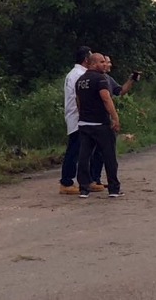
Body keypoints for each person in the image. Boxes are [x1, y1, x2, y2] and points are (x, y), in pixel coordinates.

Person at [75, 53, 123, 198]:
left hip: (84, 124)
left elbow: (78, 101)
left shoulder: (80, 80)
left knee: (84, 156)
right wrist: (115, 118)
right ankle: (113, 189)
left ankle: (84, 188)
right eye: (102, 62)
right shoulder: (100, 79)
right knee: (109, 156)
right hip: (101, 124)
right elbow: (106, 99)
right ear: (93, 63)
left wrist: (82, 115)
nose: (105, 64)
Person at [60, 46, 104, 194]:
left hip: (79, 117)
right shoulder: (79, 75)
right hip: (79, 117)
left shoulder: (76, 74)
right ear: (86, 59)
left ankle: (88, 179)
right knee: (75, 150)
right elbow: (80, 98)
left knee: (86, 150)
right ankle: (66, 182)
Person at [90, 55, 140, 185]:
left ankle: (95, 179)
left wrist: (131, 80)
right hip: (99, 119)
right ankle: (95, 180)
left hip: (103, 118)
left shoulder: (108, 79)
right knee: (98, 152)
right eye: (106, 62)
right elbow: (106, 99)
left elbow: (120, 91)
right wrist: (115, 118)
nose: (109, 65)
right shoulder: (97, 79)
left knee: (100, 152)